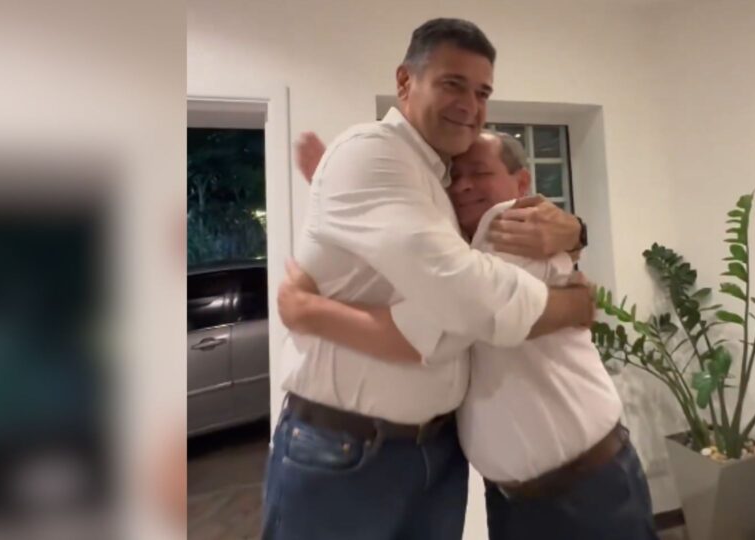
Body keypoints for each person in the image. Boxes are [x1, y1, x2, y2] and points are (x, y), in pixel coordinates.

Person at [262, 18, 592, 540]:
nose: (470, 104)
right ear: (404, 81)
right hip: (347, 451)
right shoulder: (376, 152)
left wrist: (575, 232)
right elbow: (469, 302)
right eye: (452, 84)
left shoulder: (434, 180)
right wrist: (574, 306)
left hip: (435, 454)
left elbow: (448, 302)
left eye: (482, 92)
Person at [281, 131, 659, 540]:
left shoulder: (514, 229)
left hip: (584, 492)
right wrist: (349, 187)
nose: (462, 185)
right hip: (514, 501)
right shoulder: (460, 251)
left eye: (480, 172)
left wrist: (309, 312)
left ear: (521, 183)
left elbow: (431, 329)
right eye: (454, 176)